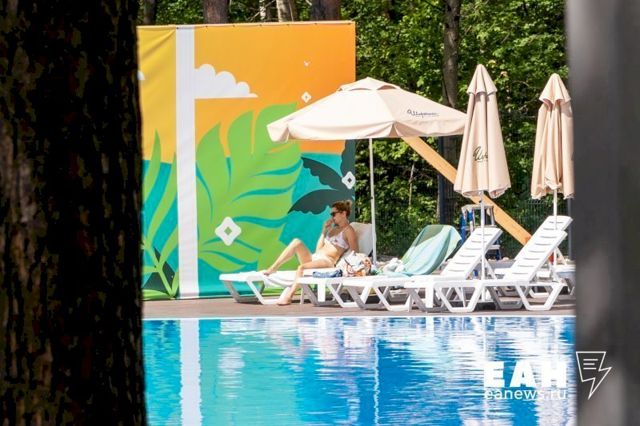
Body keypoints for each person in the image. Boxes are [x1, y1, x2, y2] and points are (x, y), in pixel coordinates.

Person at [264, 200, 359, 305]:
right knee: (296, 242)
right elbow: (318, 250)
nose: (332, 217)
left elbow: (355, 252)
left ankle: (289, 297)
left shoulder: (349, 230)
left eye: (333, 214)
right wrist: (324, 230)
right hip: (316, 257)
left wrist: (345, 266)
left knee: (301, 268)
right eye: (331, 214)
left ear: (343, 213)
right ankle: (273, 267)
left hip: (327, 261)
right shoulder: (333, 230)